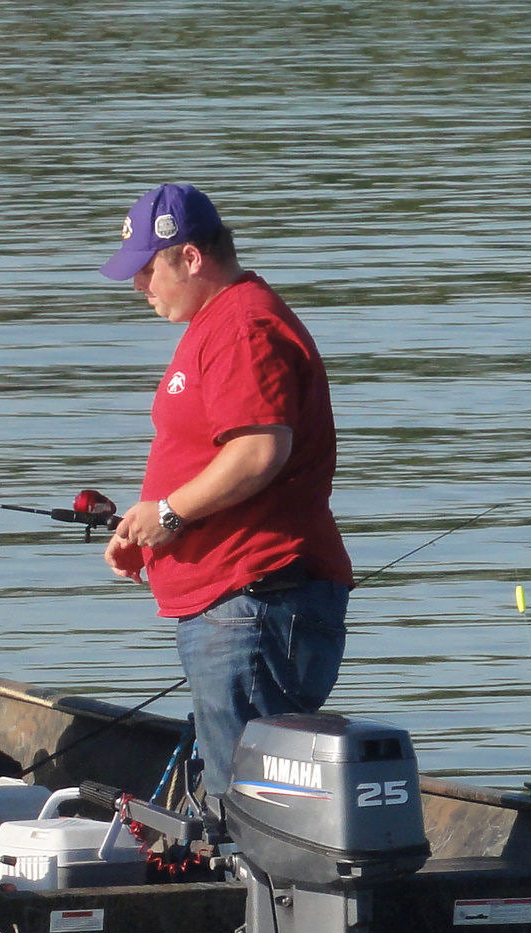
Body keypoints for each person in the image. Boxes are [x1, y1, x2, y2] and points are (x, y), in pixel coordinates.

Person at [99, 183, 355, 805]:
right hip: (236, 600)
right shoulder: (217, 323)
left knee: (253, 801)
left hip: (256, 598)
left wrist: (169, 514)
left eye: (147, 269)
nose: (140, 287)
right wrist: (150, 533)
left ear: (189, 257)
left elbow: (259, 450)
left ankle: (259, 900)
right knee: (242, 789)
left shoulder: (242, 326)